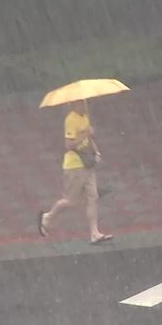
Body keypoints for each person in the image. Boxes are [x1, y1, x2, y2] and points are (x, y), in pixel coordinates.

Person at [38, 100, 113, 244]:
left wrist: (96, 152)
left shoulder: (85, 117)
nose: (84, 105)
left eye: (85, 103)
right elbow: (69, 145)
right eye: (81, 103)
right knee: (71, 201)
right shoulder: (70, 120)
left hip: (87, 163)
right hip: (74, 166)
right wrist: (86, 135)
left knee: (93, 197)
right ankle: (47, 217)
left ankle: (94, 233)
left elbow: (89, 140)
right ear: (74, 105)